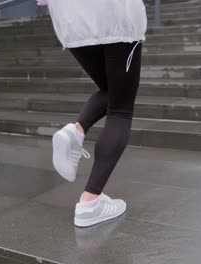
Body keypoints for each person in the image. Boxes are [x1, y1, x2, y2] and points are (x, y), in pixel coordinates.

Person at [37, 0, 147, 227]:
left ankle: (75, 131)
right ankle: (90, 202)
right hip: (114, 15)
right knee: (121, 108)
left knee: (112, 91)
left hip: (70, 19)